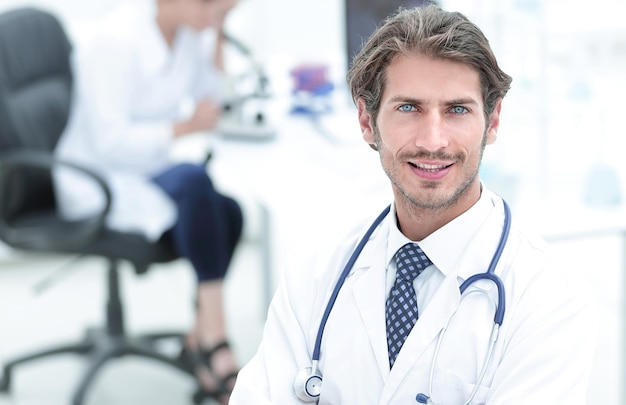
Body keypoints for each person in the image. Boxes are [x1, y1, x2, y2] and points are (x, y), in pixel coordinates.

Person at [230, 4, 597, 404]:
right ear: (367, 121)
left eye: (457, 110)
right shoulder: (316, 274)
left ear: (492, 122)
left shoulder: (548, 299)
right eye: (409, 108)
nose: (432, 141)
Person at [53, 0, 241, 403]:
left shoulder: (188, 34)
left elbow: (215, 97)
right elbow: (109, 143)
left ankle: (199, 334)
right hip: (95, 179)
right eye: (214, 7)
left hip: (144, 167)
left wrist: (218, 32)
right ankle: (216, 339)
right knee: (195, 182)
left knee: (230, 212)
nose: (217, 16)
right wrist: (187, 126)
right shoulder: (114, 43)